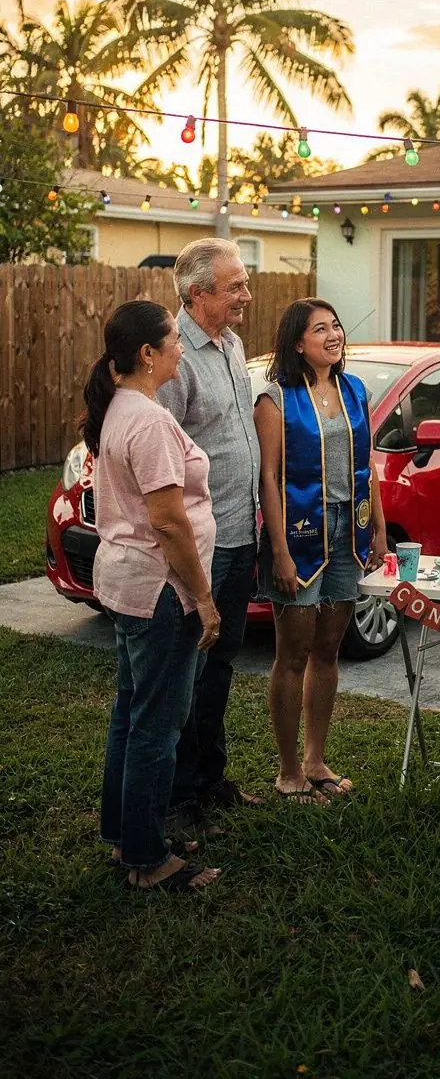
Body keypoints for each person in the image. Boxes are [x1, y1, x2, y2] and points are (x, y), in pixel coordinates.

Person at [84, 301, 221, 893]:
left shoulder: (123, 407)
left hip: (127, 583)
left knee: (131, 714)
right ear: (148, 354)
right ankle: (146, 859)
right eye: (173, 340)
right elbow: (168, 521)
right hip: (160, 591)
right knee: (157, 727)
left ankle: (126, 834)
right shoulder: (148, 420)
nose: (181, 348)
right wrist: (205, 598)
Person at [254, 299, 387, 802]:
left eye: (336, 325)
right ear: (296, 342)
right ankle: (288, 771)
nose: (334, 335)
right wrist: (280, 550)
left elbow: (367, 463)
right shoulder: (276, 399)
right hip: (299, 534)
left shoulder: (354, 390)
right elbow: (267, 477)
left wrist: (376, 526)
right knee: (292, 652)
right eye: (320, 329)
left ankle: (315, 758)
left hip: (346, 534)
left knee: (329, 648)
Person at [159, 238, 263, 828]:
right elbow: (164, 457)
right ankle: (177, 796)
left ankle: (209, 777)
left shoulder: (231, 343)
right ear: (198, 295)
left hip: (240, 529)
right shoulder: (173, 356)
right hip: (202, 542)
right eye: (235, 287)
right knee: (187, 672)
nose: (245, 295)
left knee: (222, 663)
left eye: (243, 284)